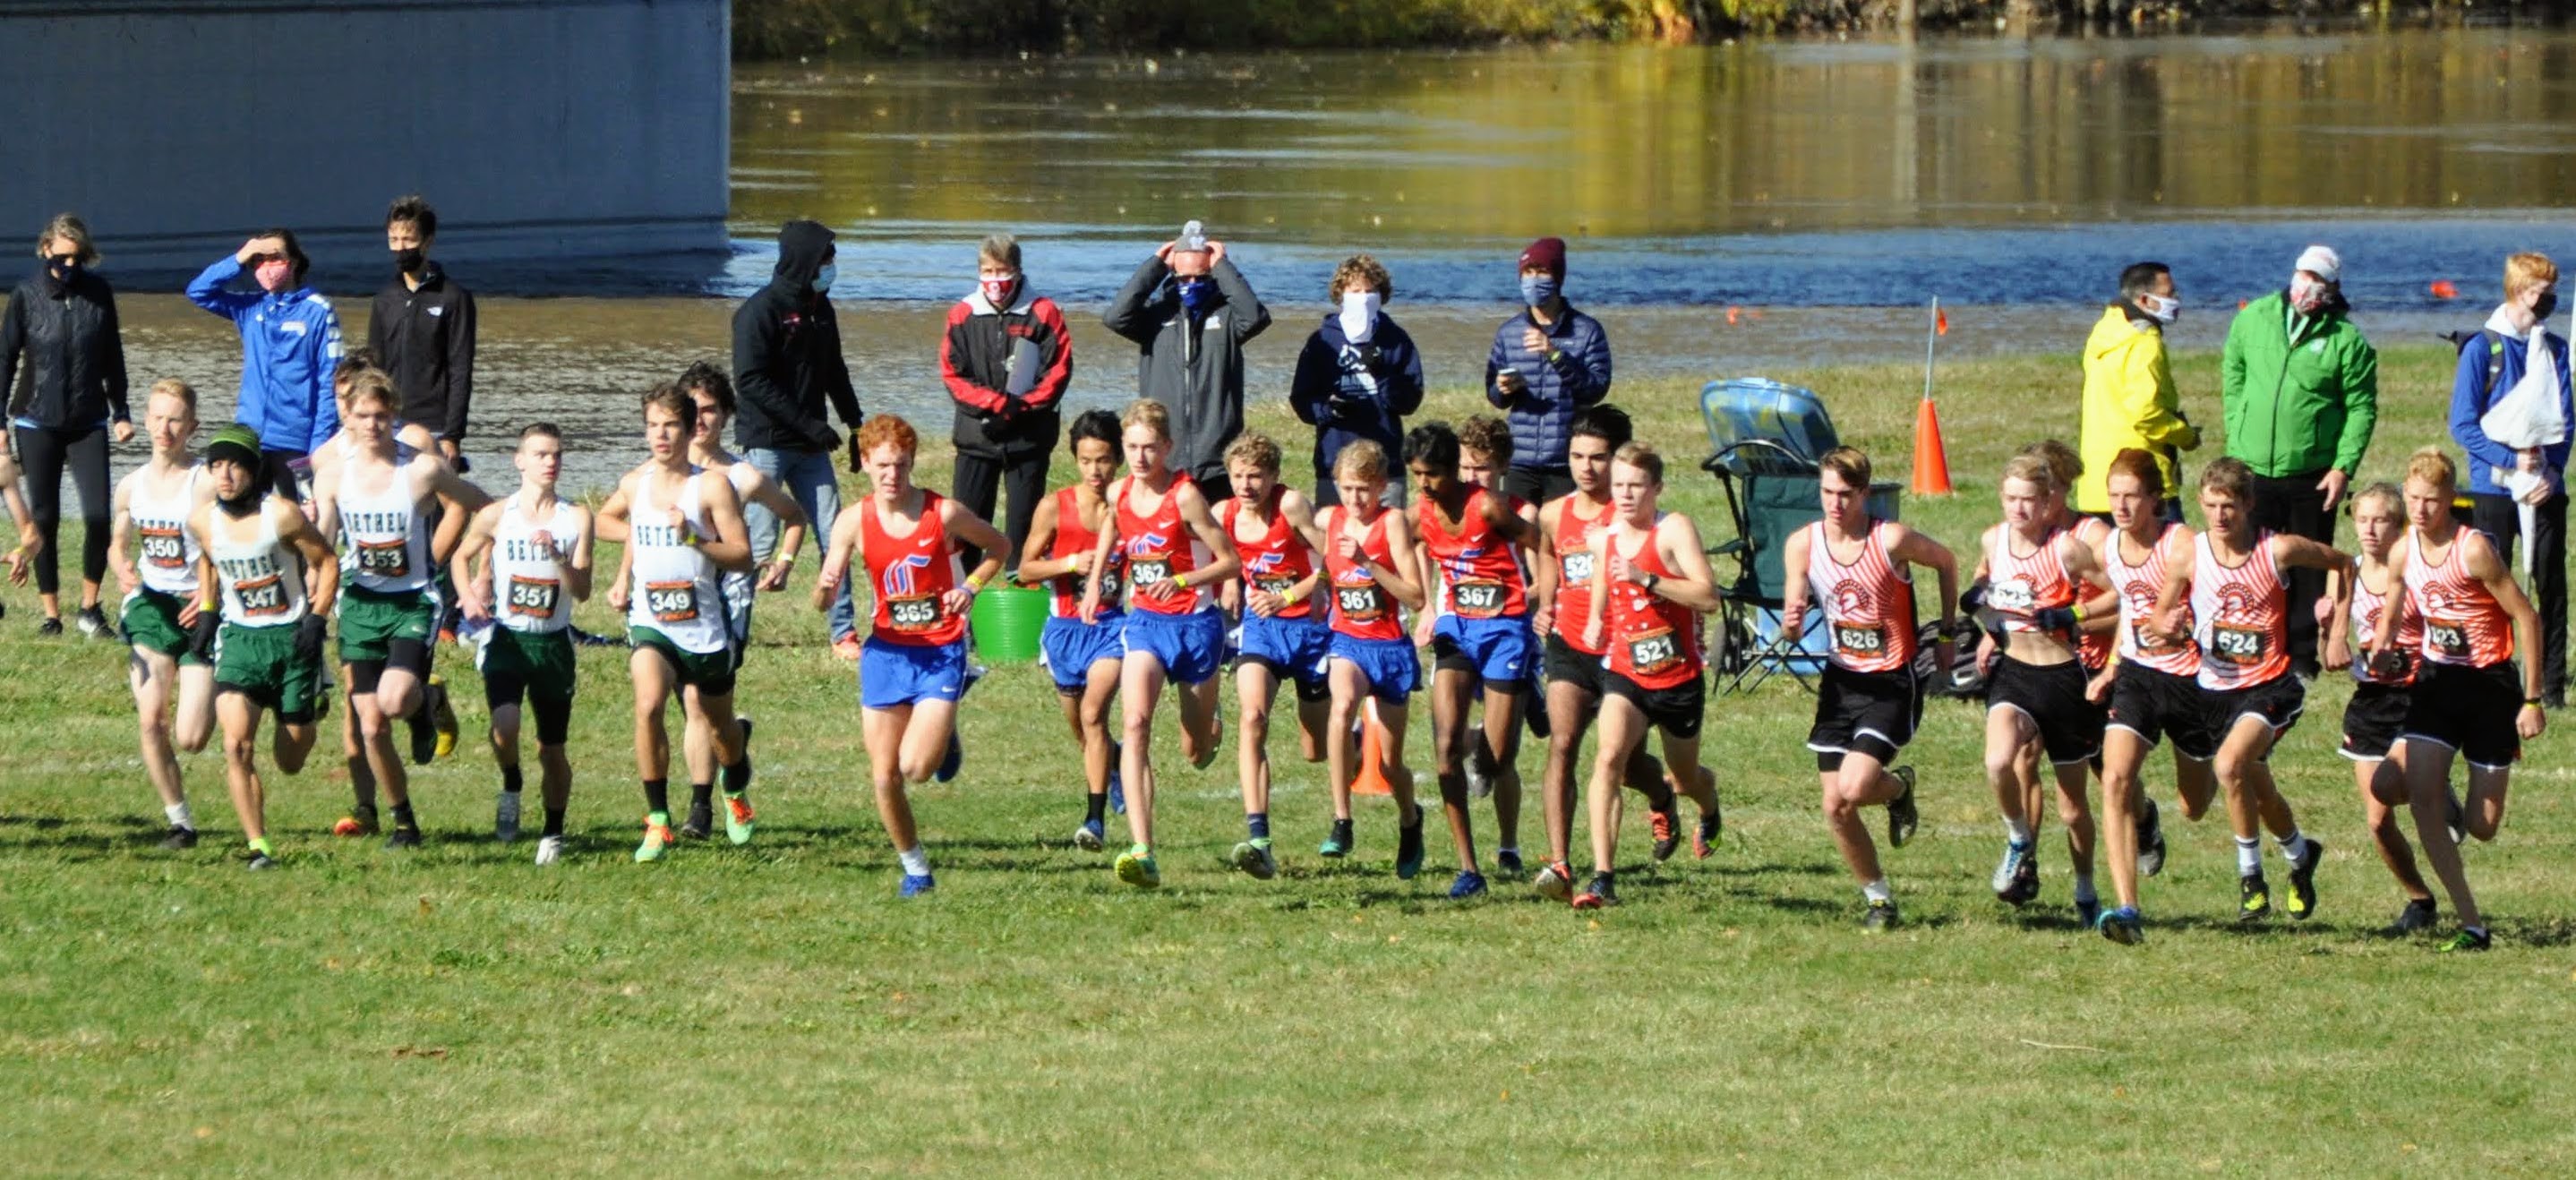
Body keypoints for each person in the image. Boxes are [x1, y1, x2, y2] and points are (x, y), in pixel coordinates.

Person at [816, 415, 1009, 898]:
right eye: (882, 466)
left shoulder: (941, 514)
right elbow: (824, 598)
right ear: (864, 463)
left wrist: (970, 585)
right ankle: (916, 868)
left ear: (912, 463)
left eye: (900, 465)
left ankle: (945, 728)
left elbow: (999, 546)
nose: (891, 476)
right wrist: (824, 589)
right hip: (886, 654)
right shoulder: (852, 521)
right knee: (884, 777)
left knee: (916, 769)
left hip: (940, 648)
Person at [2145, 457, 2343, 925]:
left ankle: (2250, 878)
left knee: (2230, 765)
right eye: (2211, 505)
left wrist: (2333, 630)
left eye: (2229, 506)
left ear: (2249, 505)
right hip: (2213, 691)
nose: (2220, 516)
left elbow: (2342, 561)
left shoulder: (2277, 550)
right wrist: (2167, 625)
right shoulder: (2190, 553)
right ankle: (2299, 855)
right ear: (2199, 503)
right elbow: (2158, 617)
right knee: (2257, 789)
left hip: (2270, 686)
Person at [2372, 448, 2547, 953]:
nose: (2421, 509)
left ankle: (2454, 801)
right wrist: (2385, 642)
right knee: (2419, 796)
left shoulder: (2472, 551)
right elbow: (2398, 593)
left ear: (2451, 499)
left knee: (2482, 826)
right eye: (2413, 498)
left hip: (2490, 687)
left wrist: (2532, 700)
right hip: (2436, 681)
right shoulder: (2404, 550)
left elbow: (2526, 617)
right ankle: (2471, 923)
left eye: (2431, 499)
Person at [1779, 446, 1956, 932]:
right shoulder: (1802, 544)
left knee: (1854, 789)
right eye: (1827, 492)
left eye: (1845, 495)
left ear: (1864, 494)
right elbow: (1792, 626)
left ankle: (1898, 788)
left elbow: (1945, 561)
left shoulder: (1891, 539)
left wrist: (1944, 634)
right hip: (1840, 681)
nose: (1834, 504)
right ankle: (1879, 900)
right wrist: (1792, 623)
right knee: (1834, 805)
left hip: (1891, 681)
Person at [310, 371, 490, 850]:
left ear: (394, 415)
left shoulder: (420, 470)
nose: (372, 425)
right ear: (347, 416)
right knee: (370, 725)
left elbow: (481, 505)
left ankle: (426, 703)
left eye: (381, 416)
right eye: (363, 416)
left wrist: (486, 560)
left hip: (411, 601)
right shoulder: (330, 476)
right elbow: (324, 546)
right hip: (360, 604)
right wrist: (312, 595)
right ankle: (403, 821)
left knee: (392, 702)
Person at [1077, 399, 1242, 888]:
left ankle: (1209, 729)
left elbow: (1230, 562)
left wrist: (1187, 580)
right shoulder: (1120, 490)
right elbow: (1112, 525)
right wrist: (1094, 583)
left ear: (1167, 447)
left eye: (1150, 448)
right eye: (1132, 448)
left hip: (1194, 626)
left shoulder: (1186, 496)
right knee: (1135, 722)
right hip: (1146, 623)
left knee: (1194, 750)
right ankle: (1142, 848)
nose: (1141, 457)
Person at [601, 384, 757, 862]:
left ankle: (734, 783)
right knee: (648, 703)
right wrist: (627, 570)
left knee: (719, 728)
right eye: (652, 425)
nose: (660, 434)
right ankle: (658, 821)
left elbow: (743, 556)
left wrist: (693, 537)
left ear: (690, 430)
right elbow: (613, 526)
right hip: (652, 621)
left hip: (703, 627)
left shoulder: (710, 486)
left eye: (670, 425)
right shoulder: (635, 485)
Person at [1530, 405, 1673, 901]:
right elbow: (1548, 553)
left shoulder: (1636, 517)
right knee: (1563, 744)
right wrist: (1546, 604)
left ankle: (1661, 796)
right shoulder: (1554, 512)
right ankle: (1561, 863)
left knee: (1624, 765)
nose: (1585, 467)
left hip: (1627, 652)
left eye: (1597, 458)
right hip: (1570, 644)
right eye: (1576, 456)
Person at [1573, 442, 1723, 910]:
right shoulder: (1605, 534)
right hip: (1627, 673)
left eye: (1636, 486)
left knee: (1684, 777)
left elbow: (1709, 597)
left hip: (1678, 679)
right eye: (1618, 485)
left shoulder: (1673, 530)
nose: (1626, 495)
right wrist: (1597, 616)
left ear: (1657, 488)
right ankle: (1603, 877)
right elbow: (1603, 570)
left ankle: (1708, 804)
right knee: (1608, 759)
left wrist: (1648, 579)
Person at [2220, 244, 2377, 677]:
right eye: (2303, 274)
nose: (2306, 285)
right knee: (2254, 559)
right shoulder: (2254, 317)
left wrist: (2342, 466)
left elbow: (2361, 407)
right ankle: (2254, 643)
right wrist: (2237, 426)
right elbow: (2233, 371)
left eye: (2318, 279)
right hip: (2253, 468)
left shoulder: (2346, 341)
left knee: (2308, 563)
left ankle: (2303, 656)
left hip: (2313, 472)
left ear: (2331, 288)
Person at [188, 423, 339, 869]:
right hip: (240, 641)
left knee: (290, 759)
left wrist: (316, 618)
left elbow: (326, 560)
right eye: (216, 465)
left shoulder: (284, 515)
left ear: (254, 470)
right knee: (236, 746)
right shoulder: (202, 521)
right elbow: (208, 560)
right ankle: (259, 846)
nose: (225, 474)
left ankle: (310, 707)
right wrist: (209, 613)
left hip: (291, 639)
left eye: (235, 465)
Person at [2087, 449, 2221, 945]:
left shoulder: (2181, 543)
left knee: (2196, 805)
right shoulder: (2112, 547)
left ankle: (2163, 813)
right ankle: (2127, 908)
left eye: (2131, 496)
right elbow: (2128, 605)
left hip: (2191, 682)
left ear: (2154, 499)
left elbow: (2217, 598)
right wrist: (2111, 667)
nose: (2120, 506)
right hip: (2139, 677)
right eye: (2114, 495)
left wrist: (2188, 625)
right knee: (2116, 779)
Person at [1973, 454, 2111, 921]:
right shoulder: (1994, 541)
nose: (2019, 509)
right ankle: (2017, 839)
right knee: (1998, 762)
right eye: (2011, 499)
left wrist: (2072, 615)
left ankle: (2086, 888)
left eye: (2028, 500)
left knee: (2073, 808)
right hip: (2014, 674)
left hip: (2062, 681)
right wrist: (1983, 611)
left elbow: (2116, 592)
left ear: (2048, 501)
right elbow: (1988, 587)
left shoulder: (2067, 549)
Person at [454, 423, 594, 865]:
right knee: (505, 726)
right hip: (508, 639)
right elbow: (460, 555)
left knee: (552, 748)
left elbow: (584, 589)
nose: (550, 462)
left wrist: (557, 556)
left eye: (556, 455)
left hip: (552, 644)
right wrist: (469, 594)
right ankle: (511, 783)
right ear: (520, 461)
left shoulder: (577, 518)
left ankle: (553, 832)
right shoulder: (499, 514)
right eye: (540, 454)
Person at [1409, 419, 1538, 898]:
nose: (1424, 484)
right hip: (1456, 629)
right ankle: (1469, 869)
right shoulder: (1418, 511)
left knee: (1497, 760)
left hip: (1505, 629)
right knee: (1445, 752)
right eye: (1418, 474)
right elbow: (1394, 540)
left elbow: (1538, 543)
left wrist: (1541, 601)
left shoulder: (1488, 507)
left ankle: (1487, 741)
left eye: (1433, 474)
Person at [734, 219, 864, 656]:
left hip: (812, 448)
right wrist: (810, 426)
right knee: (758, 540)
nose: (831, 266)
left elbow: (833, 369)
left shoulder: (820, 308)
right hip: (767, 444)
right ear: (805, 260)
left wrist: (854, 423)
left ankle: (843, 630)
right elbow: (752, 382)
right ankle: (734, 627)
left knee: (836, 533)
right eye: (826, 258)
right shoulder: (758, 312)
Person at [2446, 252, 2569, 708]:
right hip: (2492, 489)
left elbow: (2565, 420)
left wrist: (2551, 472)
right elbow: (2462, 425)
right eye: (2544, 292)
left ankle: (2550, 686)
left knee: (2551, 585)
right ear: (2520, 291)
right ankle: (2490, 674)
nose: (2551, 299)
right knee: (2490, 587)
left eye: (2553, 291)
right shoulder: (2483, 348)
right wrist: (2510, 461)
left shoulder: (2554, 349)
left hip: (2545, 489)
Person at [3, 213, 130, 637]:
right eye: (61, 258)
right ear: (45, 251)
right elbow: (6, 359)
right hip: (36, 419)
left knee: (97, 515)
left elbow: (113, 355)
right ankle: (51, 614)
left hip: (88, 419)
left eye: (77, 258)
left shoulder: (99, 294)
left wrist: (122, 411)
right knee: (45, 517)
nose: (69, 266)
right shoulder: (26, 295)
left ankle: (90, 609)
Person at [1310, 440, 1430, 880]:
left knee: (1389, 764)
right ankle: (1342, 821)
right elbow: (1319, 555)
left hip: (1390, 648)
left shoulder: (1391, 523)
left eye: (1363, 489)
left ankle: (1410, 819)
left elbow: (1415, 597)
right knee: (1341, 709)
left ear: (1381, 487)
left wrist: (1368, 563)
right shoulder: (1331, 519)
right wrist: (1316, 587)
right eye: (1346, 488)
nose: (1354, 499)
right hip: (1348, 642)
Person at [1213, 432, 1330, 880]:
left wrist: (1290, 596)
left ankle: (1350, 742)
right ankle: (1259, 838)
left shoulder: (1291, 506)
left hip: (1310, 630)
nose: (1246, 486)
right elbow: (1224, 557)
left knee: (1315, 750)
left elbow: (1334, 566)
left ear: (1274, 476)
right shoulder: (1225, 513)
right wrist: (1229, 581)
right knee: (1252, 718)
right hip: (1262, 631)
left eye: (1256, 476)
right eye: (1239, 476)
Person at [108, 379, 216, 849]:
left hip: (200, 609)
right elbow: (117, 542)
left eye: (175, 420)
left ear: (191, 426)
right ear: (146, 420)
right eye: (157, 418)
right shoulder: (131, 485)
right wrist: (120, 566)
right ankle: (180, 822)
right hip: (151, 606)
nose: (164, 429)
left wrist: (211, 598)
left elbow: (225, 545)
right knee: (150, 718)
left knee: (190, 737)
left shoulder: (206, 481)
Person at [1021, 409, 1130, 851]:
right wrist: (1068, 564)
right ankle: (1116, 764)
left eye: (1103, 459)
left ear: (1118, 459)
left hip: (1111, 627)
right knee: (1084, 733)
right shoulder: (1055, 507)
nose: (1095, 471)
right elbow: (1024, 570)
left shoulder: (1128, 507)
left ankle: (1094, 820)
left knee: (1094, 715)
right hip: (1065, 631)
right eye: (1086, 460)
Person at [2334, 481, 2437, 936]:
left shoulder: (2416, 571)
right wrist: (2327, 629)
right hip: (2370, 700)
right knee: (2377, 821)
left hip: (2417, 695)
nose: (2370, 529)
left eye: (2381, 520)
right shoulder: (2347, 574)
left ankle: (2434, 788)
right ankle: (2420, 899)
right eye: (2362, 519)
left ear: (2399, 526)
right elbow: (2333, 657)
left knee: (2389, 787)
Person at [1101, 228, 1271, 497]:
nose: (1191, 283)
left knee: (1216, 536)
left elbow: (1255, 318)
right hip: (1166, 460)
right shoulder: (1155, 318)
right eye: (1184, 277)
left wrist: (1222, 266)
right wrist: (1156, 266)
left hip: (1217, 462)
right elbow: (1115, 317)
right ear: (1173, 276)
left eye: (1200, 276)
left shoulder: (1227, 318)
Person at [941, 233, 1072, 570]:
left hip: (1028, 439)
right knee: (967, 529)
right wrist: (994, 404)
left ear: (1017, 270)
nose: (995, 280)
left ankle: (1022, 596)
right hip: (976, 439)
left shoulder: (1044, 312)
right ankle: (965, 606)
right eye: (988, 271)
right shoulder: (962, 314)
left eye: (1002, 271)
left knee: (1025, 530)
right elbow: (953, 374)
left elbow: (1058, 370)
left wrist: (1021, 407)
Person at [186, 230, 342, 499]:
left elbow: (331, 382)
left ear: (293, 261)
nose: (266, 266)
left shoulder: (318, 310)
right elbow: (198, 291)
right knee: (245, 522)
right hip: (250, 437)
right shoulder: (250, 307)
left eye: (274, 258)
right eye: (259, 261)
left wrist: (319, 444)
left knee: (302, 524)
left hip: (297, 441)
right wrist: (239, 257)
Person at [1485, 236, 1612, 507]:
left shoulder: (1587, 331)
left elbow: (1596, 388)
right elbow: (1494, 395)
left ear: (1557, 278)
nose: (1533, 280)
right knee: (1518, 534)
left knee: (1562, 538)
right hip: (1519, 459)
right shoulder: (1509, 332)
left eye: (1542, 272)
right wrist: (1503, 389)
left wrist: (1555, 354)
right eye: (1528, 273)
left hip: (1565, 459)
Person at [1290, 254, 1425, 508]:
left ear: (1381, 296)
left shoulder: (1395, 339)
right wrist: (1327, 410)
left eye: (1370, 291)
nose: (1363, 298)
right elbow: (1301, 399)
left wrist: (1382, 373)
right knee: (1337, 541)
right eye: (1355, 291)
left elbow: (1410, 401)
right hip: (1335, 462)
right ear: (1341, 294)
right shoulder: (1322, 341)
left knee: (1387, 541)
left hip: (1385, 466)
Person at [2076, 261, 2198, 521]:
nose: (2176, 301)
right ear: (2145, 299)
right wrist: (2184, 435)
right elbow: (2145, 413)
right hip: (2143, 483)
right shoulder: (2145, 343)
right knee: (2169, 559)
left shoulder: (2103, 332)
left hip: (2099, 485)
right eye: (2169, 295)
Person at [369, 195, 476, 466]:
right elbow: (373, 367)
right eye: (394, 240)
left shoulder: (453, 297)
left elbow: (460, 370)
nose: (401, 248)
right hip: (389, 422)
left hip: (435, 425)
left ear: (427, 241)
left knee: (437, 506)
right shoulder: (384, 299)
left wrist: (452, 434)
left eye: (408, 240)